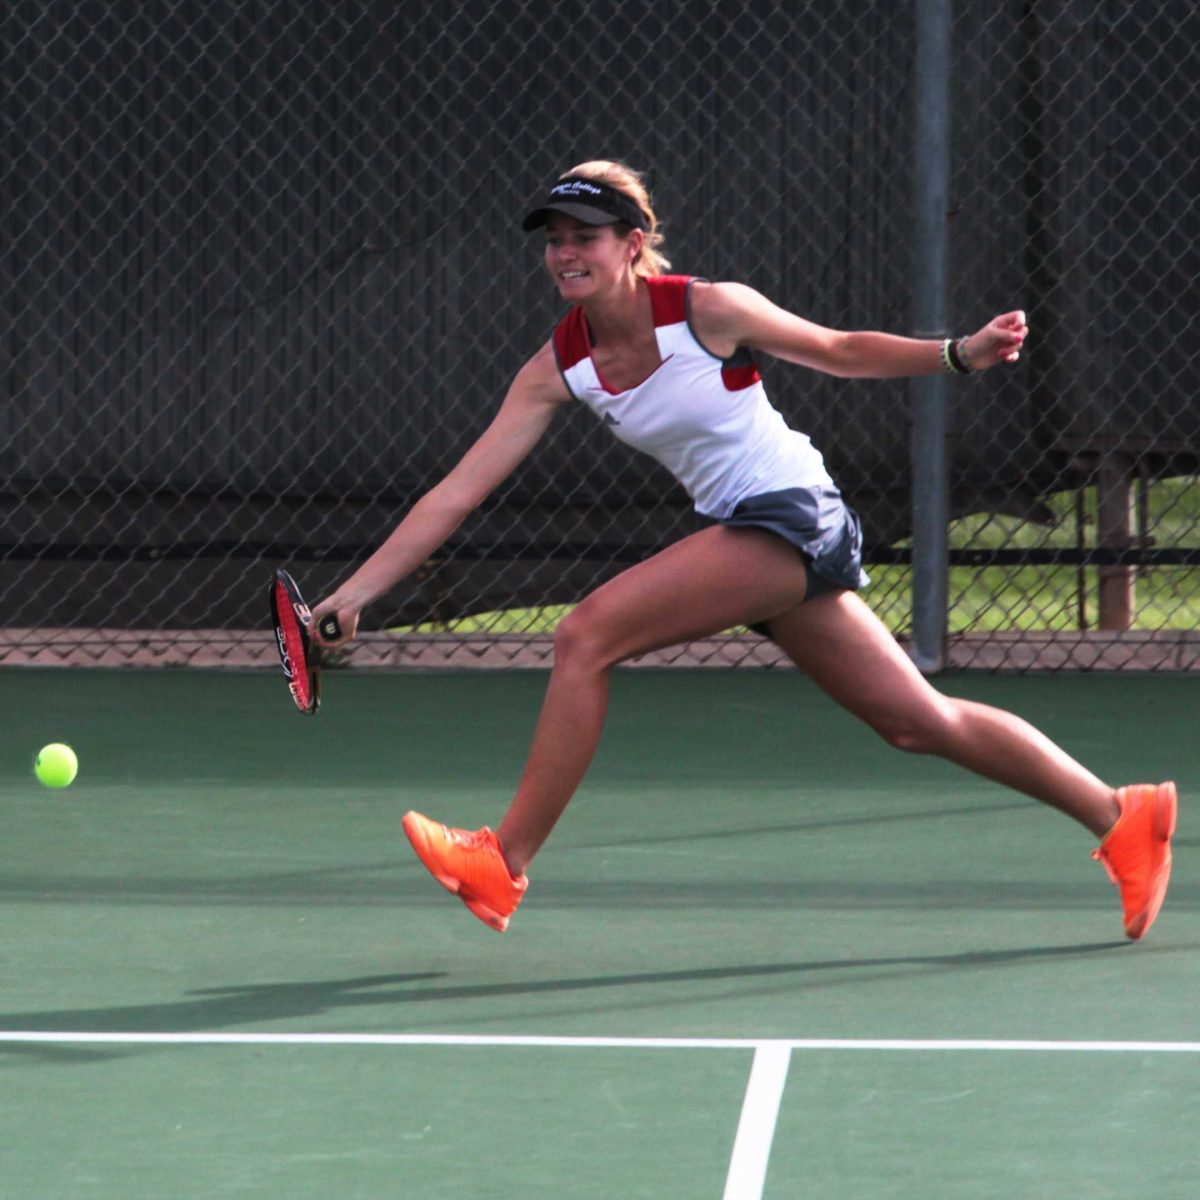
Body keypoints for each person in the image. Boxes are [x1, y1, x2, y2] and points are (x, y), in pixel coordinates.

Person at [311, 160, 1176, 938]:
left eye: (586, 237)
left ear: (633, 243)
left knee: (585, 635)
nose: (565, 254)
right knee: (918, 722)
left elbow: (838, 351)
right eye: (555, 241)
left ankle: (503, 863)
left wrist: (958, 354)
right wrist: (355, 594)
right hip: (750, 530)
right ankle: (1120, 815)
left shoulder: (707, 308)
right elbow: (458, 491)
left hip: (791, 512)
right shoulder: (558, 367)